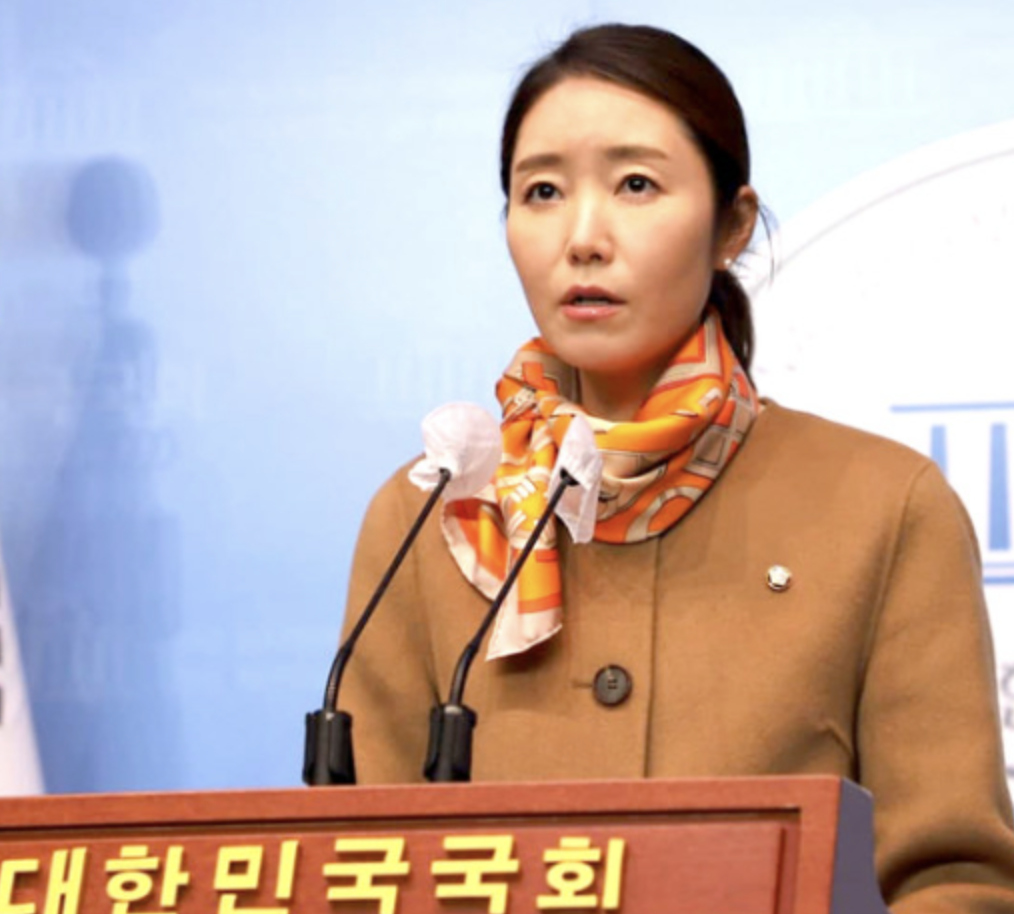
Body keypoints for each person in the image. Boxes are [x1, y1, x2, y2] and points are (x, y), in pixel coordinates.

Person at [339, 23, 1014, 910]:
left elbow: (953, 880)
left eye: (635, 185)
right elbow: (353, 868)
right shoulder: (431, 514)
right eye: (542, 191)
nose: (583, 237)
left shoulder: (883, 507)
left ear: (732, 224)